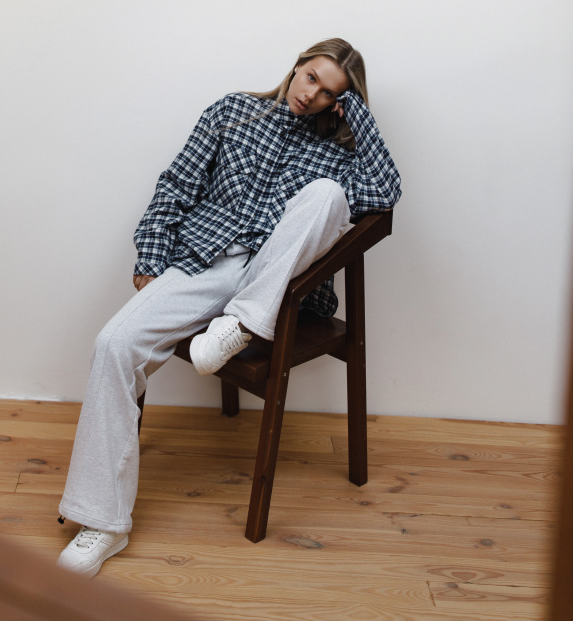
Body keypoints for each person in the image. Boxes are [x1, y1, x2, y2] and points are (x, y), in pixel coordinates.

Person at [57, 38, 401, 576]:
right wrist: (151, 256)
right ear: (296, 66)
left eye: (329, 93)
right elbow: (176, 184)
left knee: (329, 194)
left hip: (280, 280)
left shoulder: (340, 152)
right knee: (114, 345)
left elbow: (383, 193)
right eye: (312, 77)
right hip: (206, 260)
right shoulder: (233, 111)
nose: (312, 95)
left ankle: (241, 322)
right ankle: (103, 522)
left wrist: (354, 111)